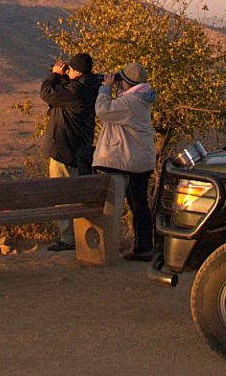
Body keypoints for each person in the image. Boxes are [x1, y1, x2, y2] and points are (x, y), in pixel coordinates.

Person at [93, 61, 157, 261]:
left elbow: (102, 110)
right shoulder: (140, 99)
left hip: (127, 160)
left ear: (128, 83)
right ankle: (144, 248)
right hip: (140, 161)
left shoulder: (130, 103)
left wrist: (105, 88)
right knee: (139, 205)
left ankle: (109, 248)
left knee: (119, 206)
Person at [38, 52, 101, 250]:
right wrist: (65, 77)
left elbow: (47, 93)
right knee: (78, 193)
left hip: (64, 150)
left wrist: (55, 75)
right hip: (80, 150)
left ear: (75, 71)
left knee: (63, 193)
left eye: (69, 69)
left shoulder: (74, 91)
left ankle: (68, 239)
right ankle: (81, 235)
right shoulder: (91, 86)